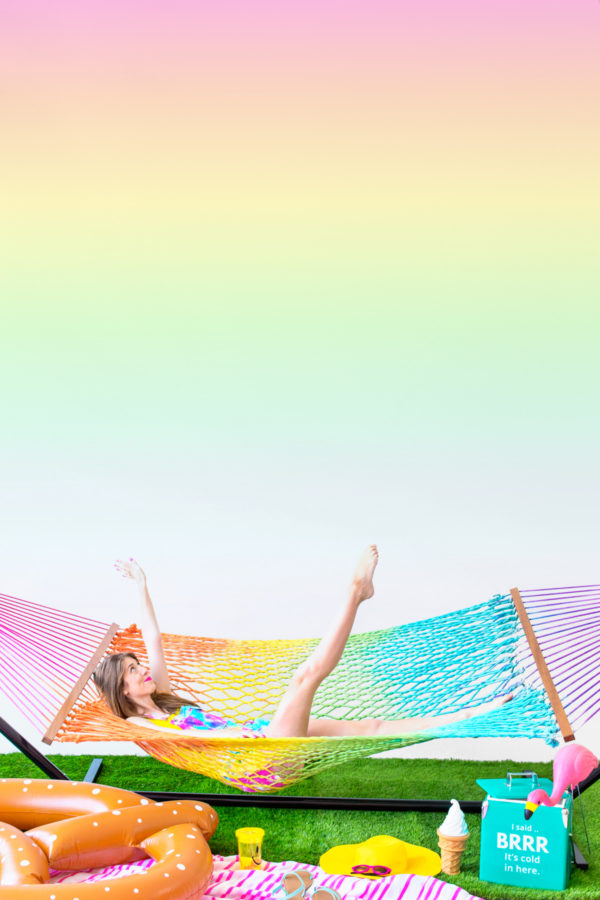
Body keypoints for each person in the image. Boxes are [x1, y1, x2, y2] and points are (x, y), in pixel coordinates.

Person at [94, 546, 511, 738]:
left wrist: (142, 583)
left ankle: (479, 712)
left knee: (372, 727)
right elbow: (186, 742)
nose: (143, 669)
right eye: (133, 670)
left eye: (138, 664)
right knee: (304, 677)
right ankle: (354, 594)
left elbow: (153, 637)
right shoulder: (138, 722)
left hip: (259, 735)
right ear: (122, 690)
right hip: (256, 758)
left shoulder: (164, 697)